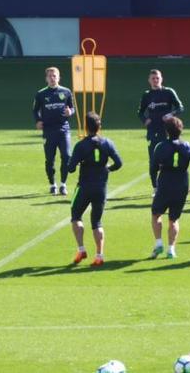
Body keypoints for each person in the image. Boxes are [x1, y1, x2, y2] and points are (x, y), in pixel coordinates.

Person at [66, 112, 123, 266]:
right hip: (101, 188)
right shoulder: (107, 143)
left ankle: (81, 248)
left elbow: (70, 169)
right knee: (97, 222)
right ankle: (99, 255)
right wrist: (107, 169)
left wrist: (75, 161)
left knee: (76, 216)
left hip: (84, 187)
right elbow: (119, 163)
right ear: (99, 127)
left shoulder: (81, 145)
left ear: (86, 127)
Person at [150, 117, 190, 259]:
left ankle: (158, 243)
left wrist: (155, 186)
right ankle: (171, 250)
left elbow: (153, 169)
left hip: (165, 183)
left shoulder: (161, 147)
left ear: (166, 131)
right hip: (181, 184)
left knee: (156, 214)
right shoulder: (187, 146)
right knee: (173, 219)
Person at [137, 69, 183, 193]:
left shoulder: (168, 92)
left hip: (167, 131)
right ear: (149, 80)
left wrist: (170, 114)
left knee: (168, 159)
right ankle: (155, 187)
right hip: (153, 131)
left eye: (157, 78)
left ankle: (169, 184)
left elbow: (180, 107)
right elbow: (140, 112)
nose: (155, 80)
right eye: (153, 78)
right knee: (153, 160)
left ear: (161, 79)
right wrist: (144, 120)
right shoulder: (147, 95)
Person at [32, 67, 74, 195]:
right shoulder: (41, 94)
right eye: (49, 76)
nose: (52, 78)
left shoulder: (66, 92)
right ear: (46, 78)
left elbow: (72, 108)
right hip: (49, 131)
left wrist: (70, 112)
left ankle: (63, 184)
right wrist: (38, 120)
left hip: (63, 129)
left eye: (54, 75)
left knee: (66, 156)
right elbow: (35, 110)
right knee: (50, 159)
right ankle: (52, 184)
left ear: (59, 77)